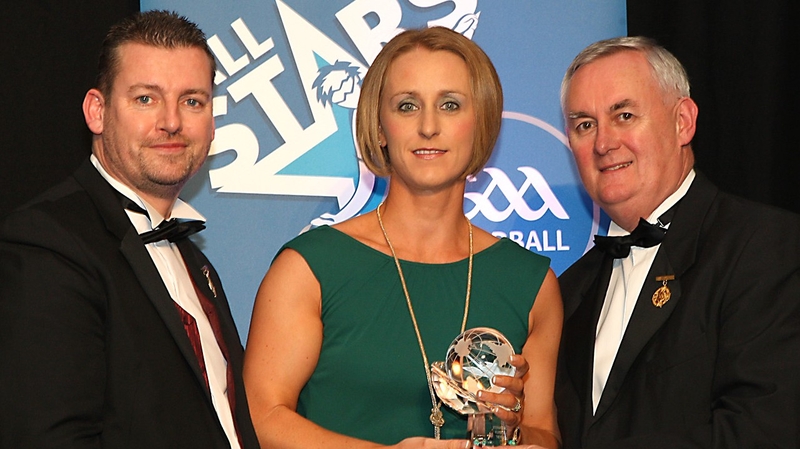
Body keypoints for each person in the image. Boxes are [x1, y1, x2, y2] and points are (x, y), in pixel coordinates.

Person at [243, 27, 562, 448]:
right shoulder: (310, 268)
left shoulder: (530, 283)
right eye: (407, 106)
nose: (428, 126)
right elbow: (260, 418)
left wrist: (510, 431)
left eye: (450, 105)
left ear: (481, 124)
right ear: (380, 128)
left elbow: (544, 433)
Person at [0, 10, 259, 449]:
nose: (172, 122)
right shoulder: (47, 243)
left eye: (192, 101)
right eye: (145, 99)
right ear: (97, 112)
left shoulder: (195, 262)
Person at [555, 36, 800, 448]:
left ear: (682, 121)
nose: (603, 143)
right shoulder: (567, 290)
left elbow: (766, 430)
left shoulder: (765, 248)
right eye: (584, 125)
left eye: (624, 115)